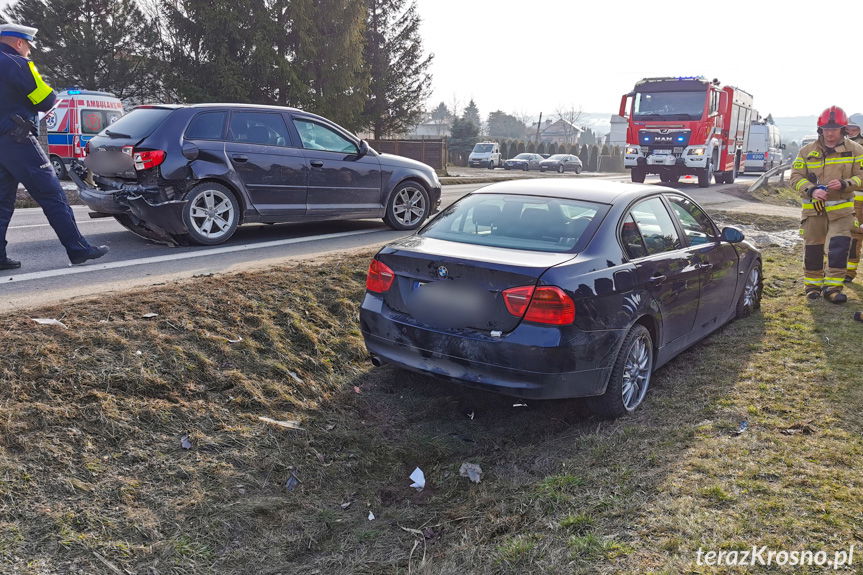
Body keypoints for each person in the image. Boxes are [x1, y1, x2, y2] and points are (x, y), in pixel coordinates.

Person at [0, 23, 108, 270]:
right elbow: (45, 99)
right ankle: (78, 249)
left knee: (2, 201)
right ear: (19, 42)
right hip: (18, 141)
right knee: (53, 194)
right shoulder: (18, 64)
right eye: (28, 46)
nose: (28, 51)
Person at [789, 106, 863, 303]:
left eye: (834, 129)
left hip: (842, 212)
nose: (830, 133)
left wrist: (846, 184)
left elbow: (861, 176)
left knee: (838, 248)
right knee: (813, 248)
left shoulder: (856, 150)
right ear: (820, 129)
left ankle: (833, 288)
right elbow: (795, 177)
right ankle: (812, 286)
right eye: (826, 129)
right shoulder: (806, 151)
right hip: (814, 211)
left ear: (843, 129)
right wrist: (812, 190)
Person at [844, 114, 863, 283]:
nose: (850, 131)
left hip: (859, 199)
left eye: (854, 128)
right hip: (849, 199)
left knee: (856, 235)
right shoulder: (843, 146)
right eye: (848, 128)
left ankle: (849, 272)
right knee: (850, 235)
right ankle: (845, 271)